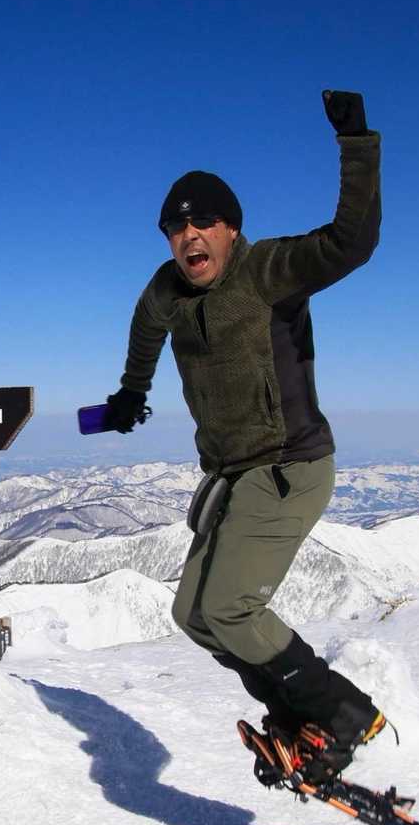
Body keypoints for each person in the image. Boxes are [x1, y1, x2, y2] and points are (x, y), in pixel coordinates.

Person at [104, 89, 385, 785]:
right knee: (194, 614)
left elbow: (351, 242)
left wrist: (355, 143)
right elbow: (146, 329)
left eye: (205, 221)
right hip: (232, 475)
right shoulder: (167, 289)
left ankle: (344, 714)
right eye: (176, 226)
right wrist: (131, 394)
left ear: (232, 229)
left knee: (230, 607)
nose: (189, 235)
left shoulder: (267, 272)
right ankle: (295, 718)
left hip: (289, 466)